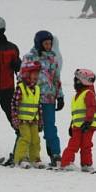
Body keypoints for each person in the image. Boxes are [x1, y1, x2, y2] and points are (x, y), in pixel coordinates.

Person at [22, 31, 64, 166]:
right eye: (45, 43)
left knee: (50, 127)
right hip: (32, 99)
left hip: (49, 99)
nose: (48, 46)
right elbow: (22, 76)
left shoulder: (53, 58)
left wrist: (60, 95)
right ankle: (24, 154)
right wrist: (22, 92)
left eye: (50, 43)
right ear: (39, 43)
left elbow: (57, 78)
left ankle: (55, 154)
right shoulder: (30, 57)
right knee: (29, 126)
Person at [60, 68, 96, 171]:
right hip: (77, 127)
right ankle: (66, 162)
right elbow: (75, 114)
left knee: (86, 145)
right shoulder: (77, 96)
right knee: (73, 144)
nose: (75, 83)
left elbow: (91, 108)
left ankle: (86, 164)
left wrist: (88, 121)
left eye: (77, 81)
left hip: (87, 126)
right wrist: (71, 125)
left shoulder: (88, 93)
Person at [11, 61, 44, 168]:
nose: (36, 76)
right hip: (23, 120)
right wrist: (15, 118)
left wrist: (40, 120)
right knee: (25, 138)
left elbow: (38, 106)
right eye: (34, 74)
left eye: (37, 74)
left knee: (35, 139)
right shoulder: (21, 88)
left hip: (34, 120)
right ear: (26, 74)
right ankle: (20, 158)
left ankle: (35, 158)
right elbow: (14, 105)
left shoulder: (37, 89)